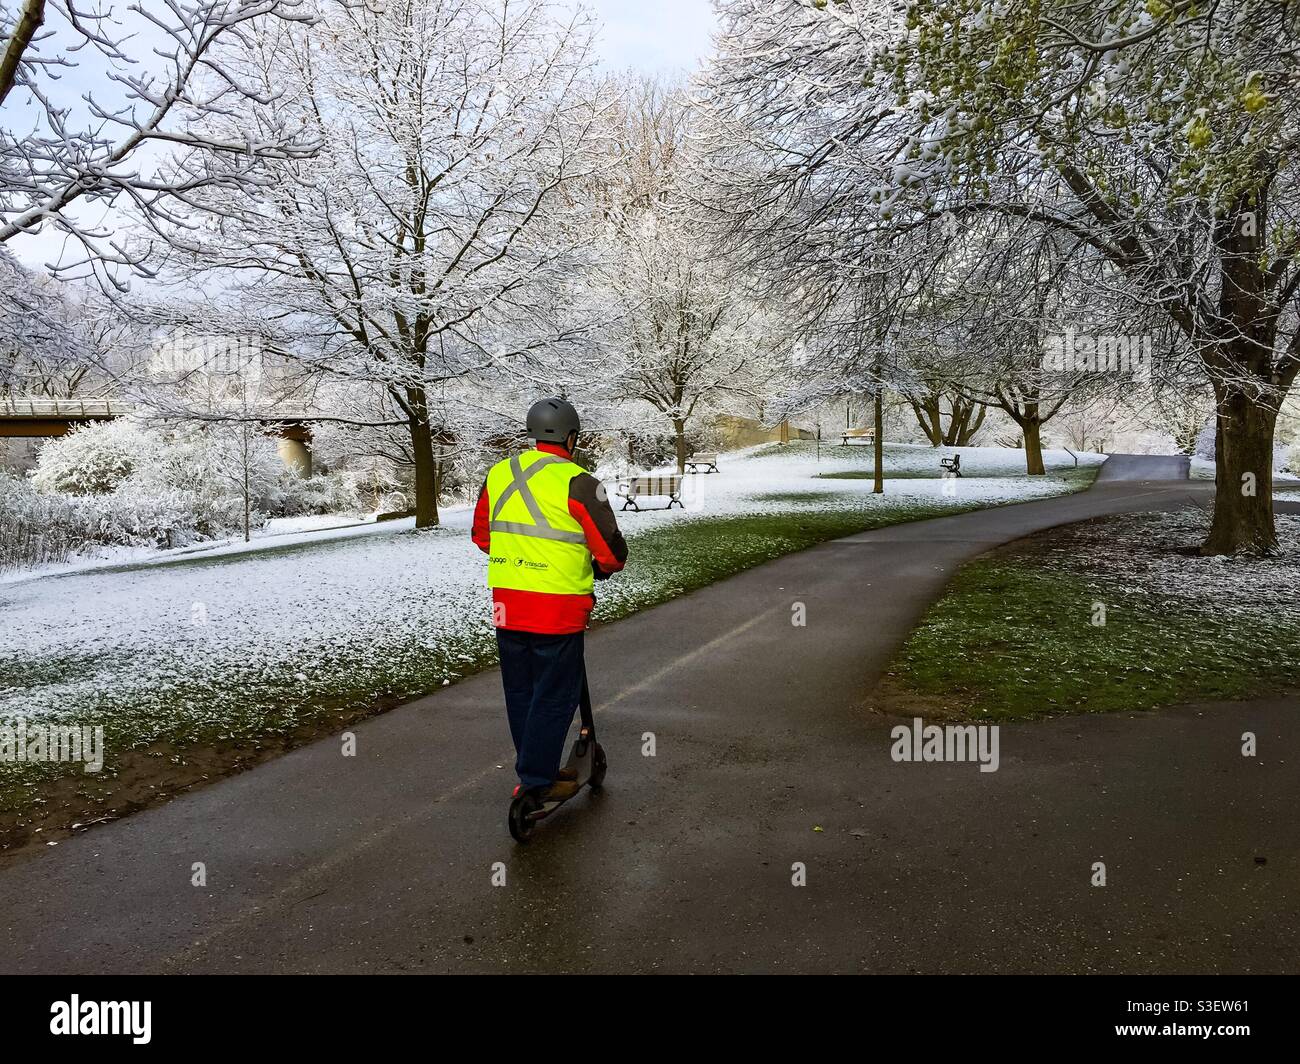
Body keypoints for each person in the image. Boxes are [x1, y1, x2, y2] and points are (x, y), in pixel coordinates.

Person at [471, 398, 628, 800]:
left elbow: (482, 535)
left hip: (507, 603)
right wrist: (601, 568)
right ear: (571, 437)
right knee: (555, 695)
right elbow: (611, 553)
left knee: (521, 691)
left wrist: (521, 557)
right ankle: (537, 780)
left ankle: (533, 768)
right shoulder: (581, 483)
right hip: (557, 606)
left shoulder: (498, 474)